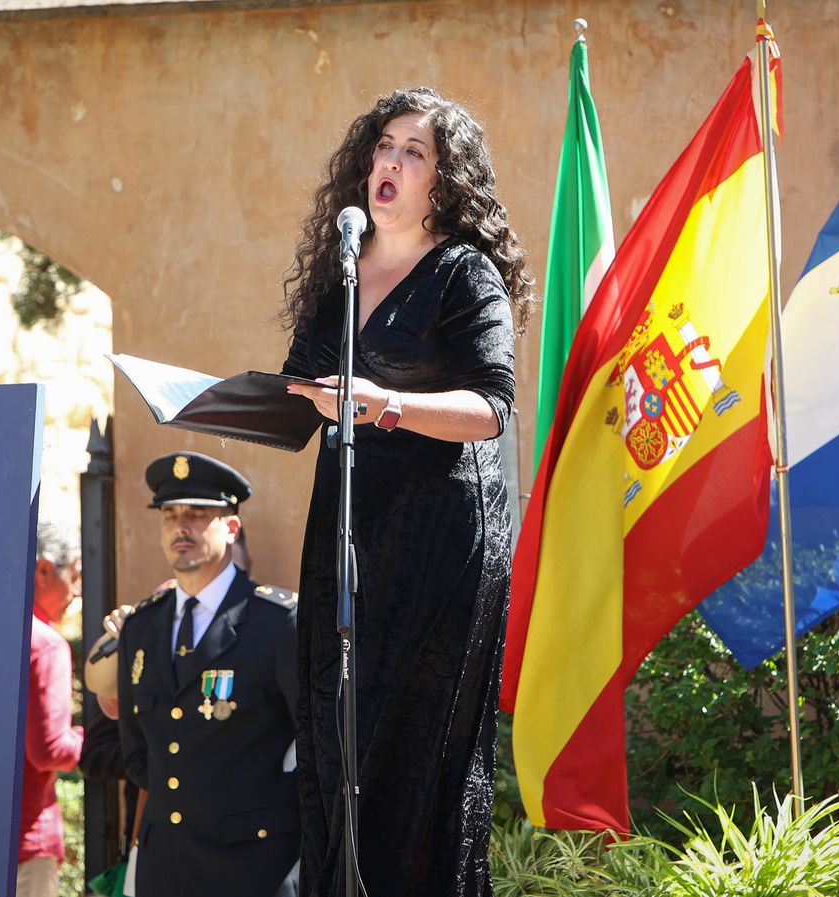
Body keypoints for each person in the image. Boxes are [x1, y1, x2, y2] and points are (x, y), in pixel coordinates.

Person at [280, 86, 531, 897]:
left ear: (444, 180)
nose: (389, 162)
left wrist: (380, 402)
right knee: (334, 751)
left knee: (408, 766)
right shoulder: (342, 275)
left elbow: (491, 409)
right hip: (345, 538)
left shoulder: (465, 273)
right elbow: (299, 389)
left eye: (413, 152)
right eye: (383, 146)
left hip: (441, 551)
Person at [114, 451, 301, 897]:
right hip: (166, 867)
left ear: (231, 527)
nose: (182, 527)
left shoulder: (278, 621)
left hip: (253, 868)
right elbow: (137, 752)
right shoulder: (141, 628)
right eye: (170, 515)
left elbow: (322, 750)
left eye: (198, 514)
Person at [19, 520, 86, 897]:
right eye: (74, 576)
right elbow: (49, 750)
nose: (76, 592)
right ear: (44, 569)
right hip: (28, 838)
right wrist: (98, 738)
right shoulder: (45, 646)